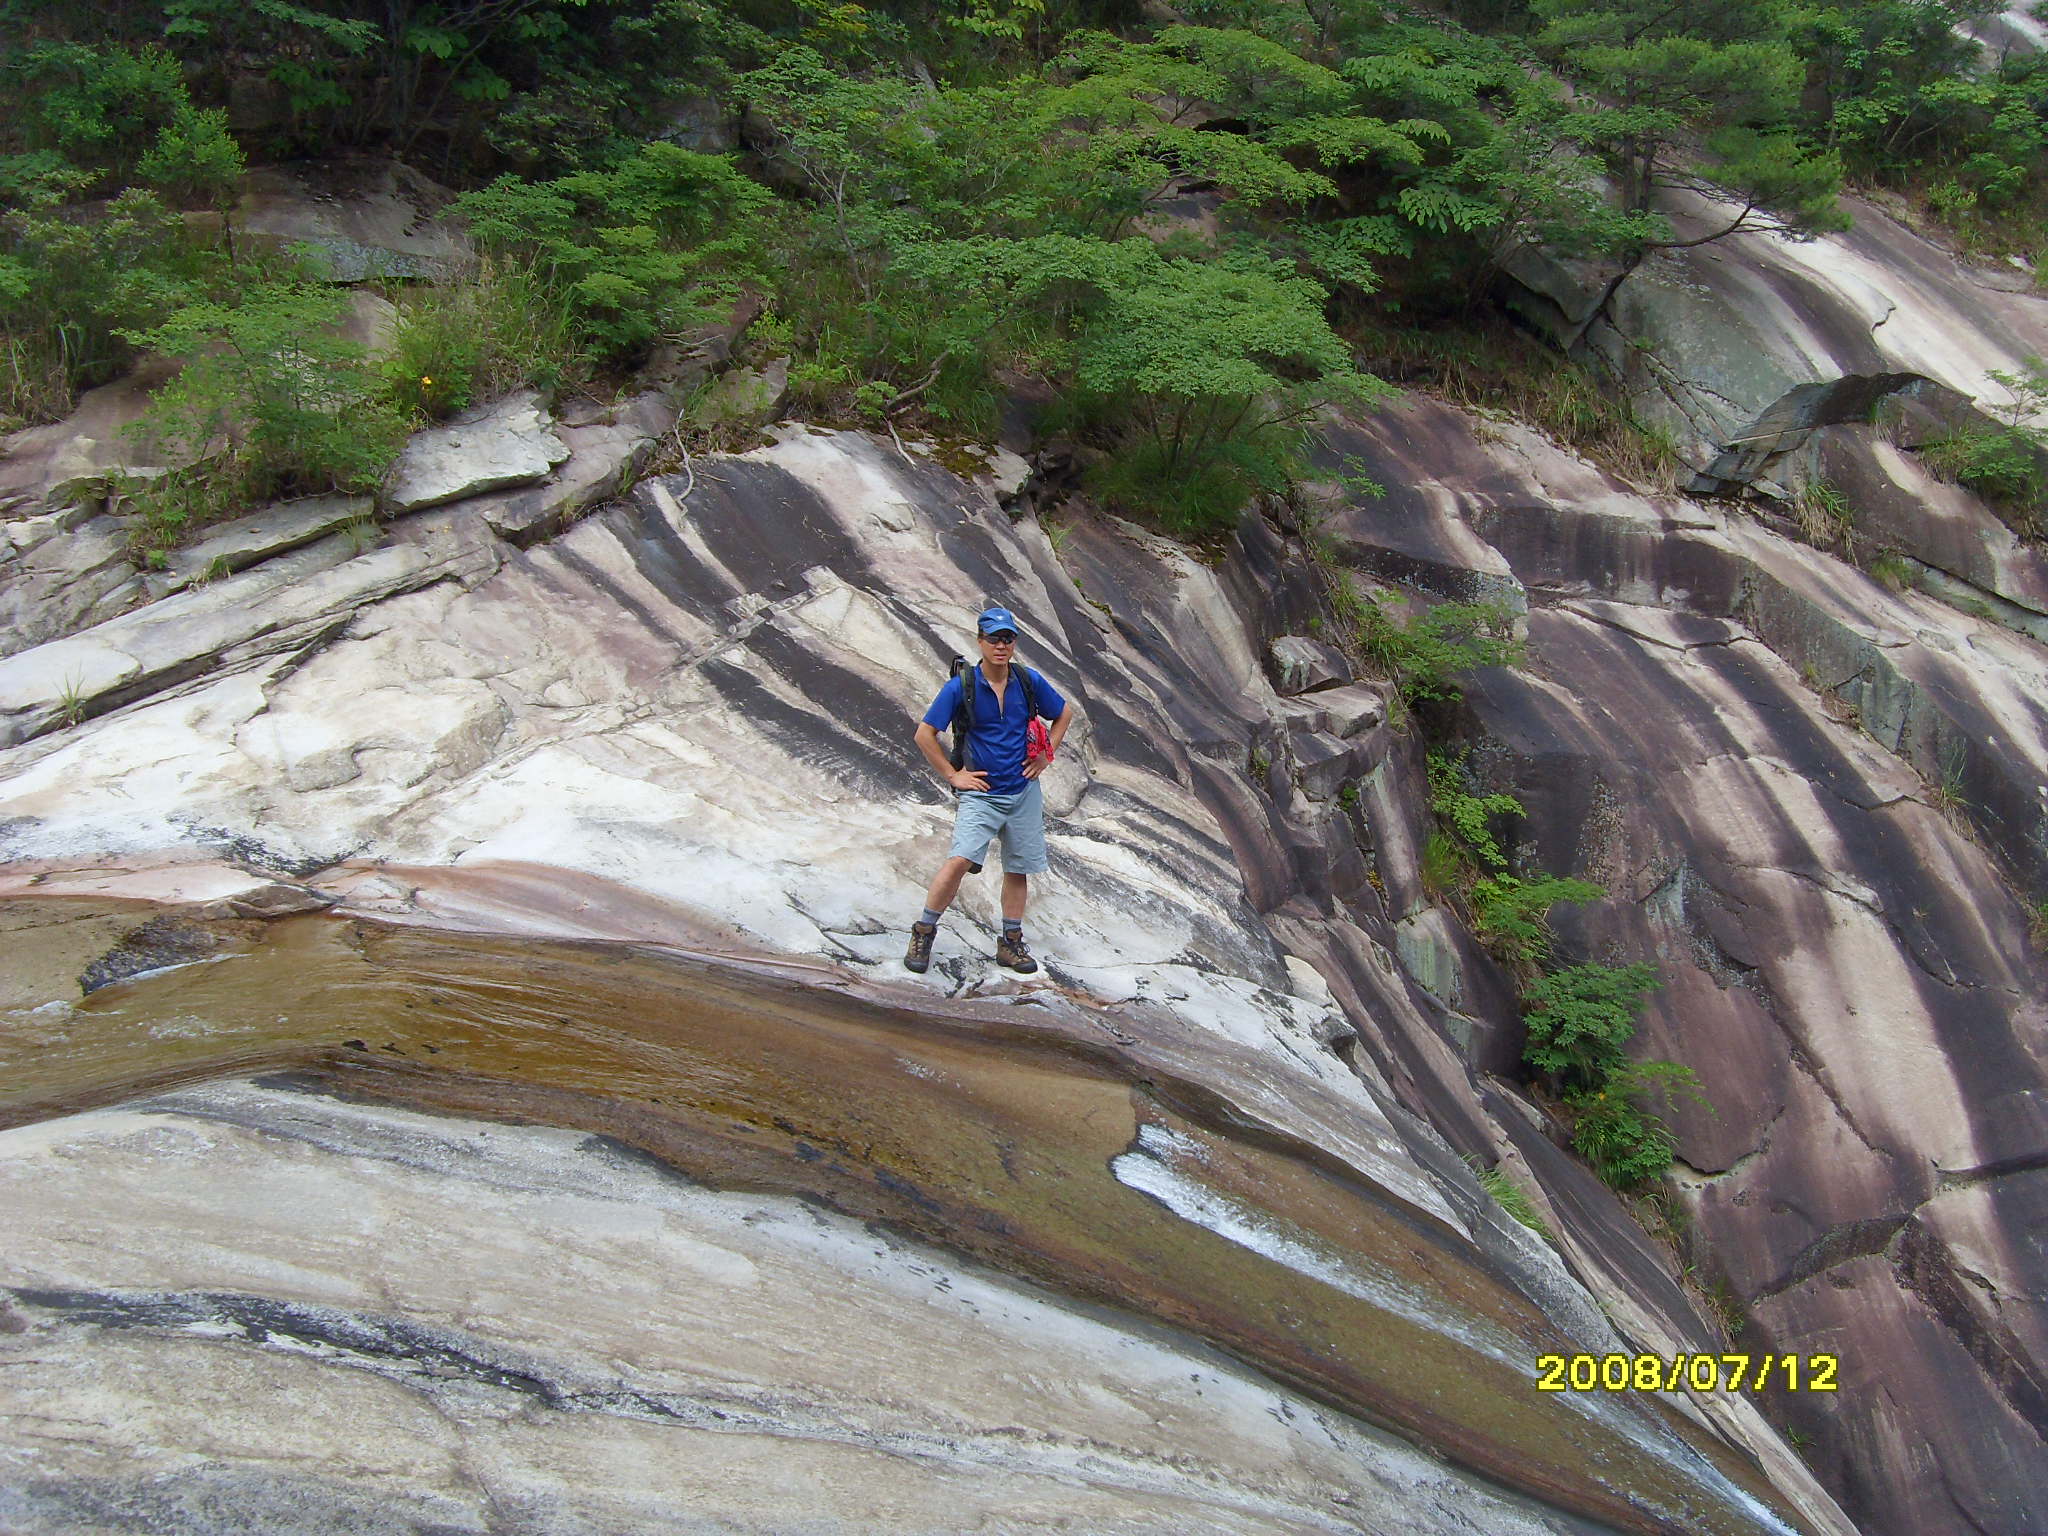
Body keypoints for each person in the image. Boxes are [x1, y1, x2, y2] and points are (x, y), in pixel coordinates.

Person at [905, 607, 1073, 975]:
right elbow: (924, 734)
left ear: (1014, 643)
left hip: (1023, 791)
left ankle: (1010, 944)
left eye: (1007, 639)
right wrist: (953, 776)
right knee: (960, 860)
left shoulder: (1028, 681)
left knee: (1018, 868)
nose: (1001, 645)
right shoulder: (961, 686)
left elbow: (1063, 713)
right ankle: (924, 931)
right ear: (980, 641)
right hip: (981, 793)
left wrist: (1046, 755)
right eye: (994, 638)